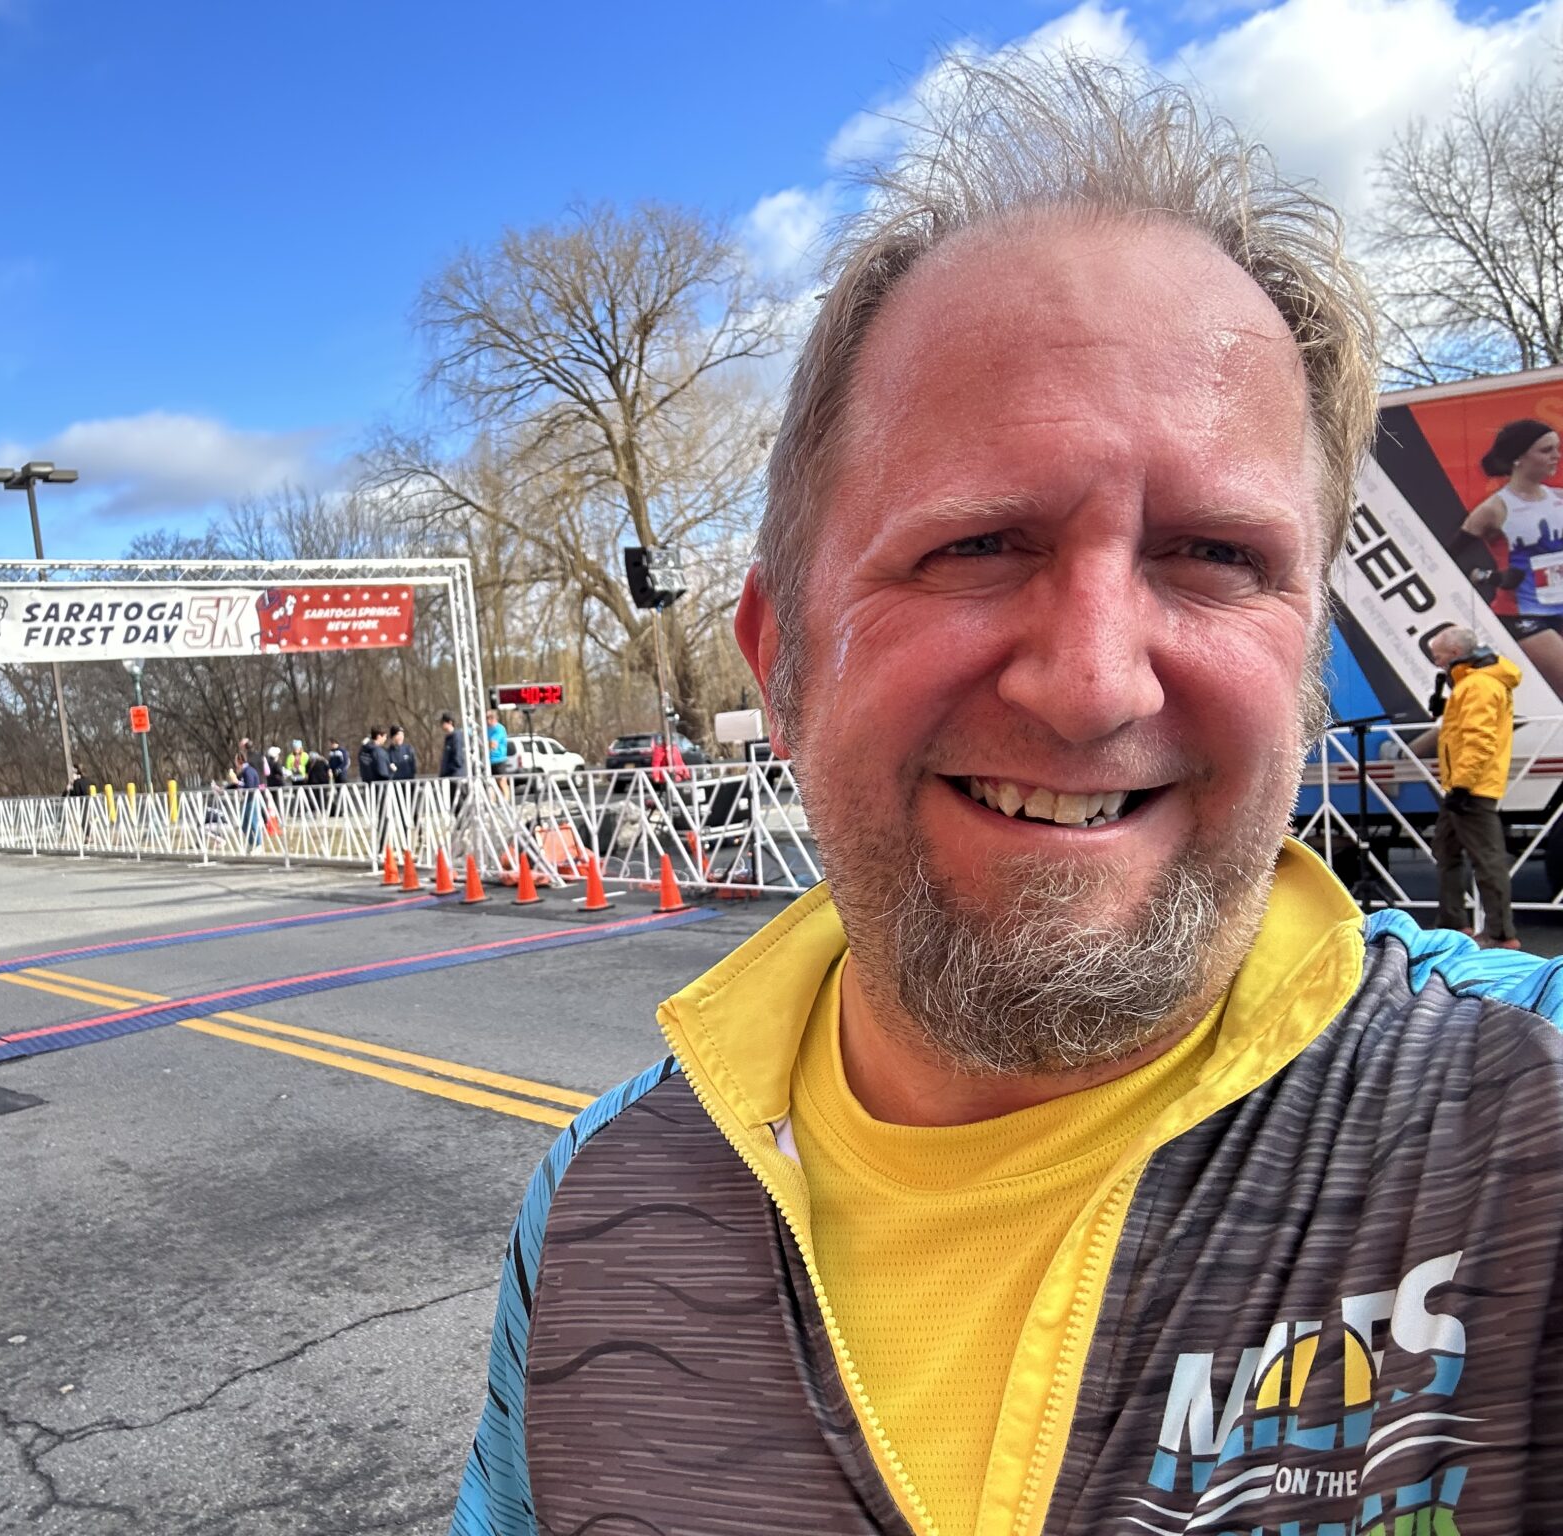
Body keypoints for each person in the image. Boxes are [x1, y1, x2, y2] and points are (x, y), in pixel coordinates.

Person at [449, 57, 1563, 1536]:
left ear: (1303, 665)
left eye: (1217, 557)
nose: (1095, 683)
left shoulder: (1523, 1123)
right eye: (977, 545)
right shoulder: (595, 1210)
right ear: (782, 657)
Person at [1429, 625, 1522, 948]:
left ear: (1454, 654)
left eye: (1437, 656)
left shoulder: (1477, 685)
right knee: (1446, 849)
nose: (1435, 662)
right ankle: (1453, 923)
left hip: (1471, 790)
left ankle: (1500, 934)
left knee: (1487, 859)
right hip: (1463, 786)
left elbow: (1479, 741)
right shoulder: (1471, 683)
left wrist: (1462, 787)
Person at [1463, 417, 1563, 695]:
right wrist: (1492, 576)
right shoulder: (1494, 508)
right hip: (1522, 613)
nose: (1556, 456)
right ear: (1519, 457)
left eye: (1557, 448)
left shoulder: (1559, 498)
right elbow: (1451, 559)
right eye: (1546, 450)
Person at [485, 709, 510, 778]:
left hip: (499, 761)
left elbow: (493, 744)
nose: (487, 720)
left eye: (489, 717)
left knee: (502, 783)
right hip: (488, 762)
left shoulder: (499, 729)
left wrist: (482, 744)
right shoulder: (485, 729)